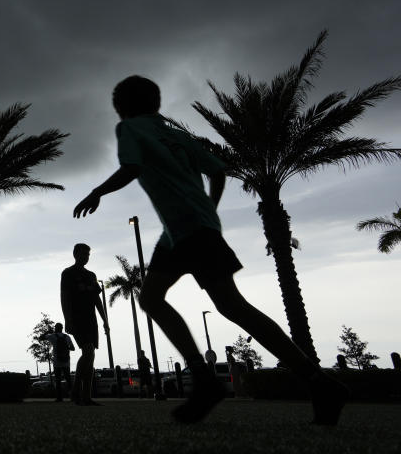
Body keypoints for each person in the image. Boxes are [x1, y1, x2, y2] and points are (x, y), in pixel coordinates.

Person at [72, 75, 349, 424]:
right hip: (186, 230)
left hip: (186, 229)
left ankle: (231, 381)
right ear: (155, 103)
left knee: (217, 305)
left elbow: (132, 167)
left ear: (122, 108)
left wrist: (97, 191)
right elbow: (218, 171)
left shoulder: (129, 129)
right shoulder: (177, 134)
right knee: (184, 301)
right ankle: (309, 382)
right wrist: (208, 209)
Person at [60, 243, 109, 405]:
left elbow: (97, 299)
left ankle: (86, 396)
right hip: (77, 318)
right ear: (75, 254)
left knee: (91, 356)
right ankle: (75, 390)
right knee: (87, 351)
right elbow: (65, 298)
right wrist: (68, 319)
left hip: (91, 320)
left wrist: (105, 320)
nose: (86, 257)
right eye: (83, 254)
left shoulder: (91, 275)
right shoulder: (68, 273)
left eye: (88, 254)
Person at [43, 322, 76, 402]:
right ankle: (73, 396)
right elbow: (73, 348)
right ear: (62, 328)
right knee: (68, 379)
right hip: (66, 361)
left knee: (57, 380)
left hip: (57, 362)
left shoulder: (52, 336)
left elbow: (41, 338)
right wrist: (66, 348)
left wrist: (48, 332)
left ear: (55, 328)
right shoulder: (67, 337)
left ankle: (59, 398)